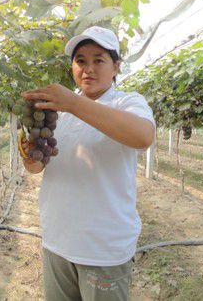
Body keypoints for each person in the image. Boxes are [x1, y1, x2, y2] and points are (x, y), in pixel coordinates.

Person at [20, 26, 155, 301]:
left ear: (116, 66)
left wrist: (73, 103)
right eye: (80, 61)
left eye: (98, 60)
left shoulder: (127, 102)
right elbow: (36, 168)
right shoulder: (59, 112)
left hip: (103, 250)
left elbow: (143, 137)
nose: (88, 68)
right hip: (57, 243)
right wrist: (27, 152)